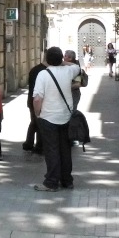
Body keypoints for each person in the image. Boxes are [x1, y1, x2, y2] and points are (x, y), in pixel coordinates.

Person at [32, 47, 82, 192]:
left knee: (52, 150)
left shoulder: (43, 74)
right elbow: (77, 67)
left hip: (48, 117)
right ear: (61, 58)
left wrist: (37, 113)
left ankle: (51, 182)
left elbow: (37, 99)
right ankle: (67, 180)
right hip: (65, 116)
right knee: (65, 150)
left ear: (47, 59)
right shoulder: (68, 71)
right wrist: (62, 63)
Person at [23, 53, 47, 154]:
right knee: (40, 124)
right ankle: (39, 146)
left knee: (34, 122)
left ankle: (28, 143)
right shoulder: (45, 72)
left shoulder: (34, 69)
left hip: (31, 99)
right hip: (39, 100)